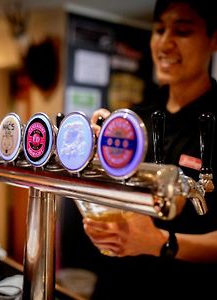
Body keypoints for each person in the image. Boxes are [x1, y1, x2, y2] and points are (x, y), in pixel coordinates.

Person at [83, 0, 217, 297]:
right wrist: (95, 154)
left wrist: (160, 242)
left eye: (182, 31)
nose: (165, 43)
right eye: (159, 30)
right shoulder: (134, 119)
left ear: (213, 38)